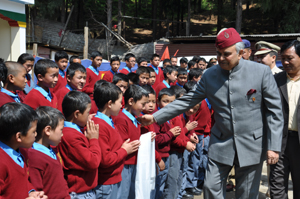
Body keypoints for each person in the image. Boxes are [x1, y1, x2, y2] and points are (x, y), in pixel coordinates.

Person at [138, 27, 283, 199]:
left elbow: (274, 111)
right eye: (218, 53)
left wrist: (273, 146)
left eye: (226, 54)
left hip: (252, 144)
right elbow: (188, 100)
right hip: (221, 142)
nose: (221, 58)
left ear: (241, 52)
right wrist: (155, 117)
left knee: (247, 194)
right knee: (210, 187)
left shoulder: (261, 72)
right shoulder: (210, 75)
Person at [92, 81, 140, 199]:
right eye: (119, 102)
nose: (121, 105)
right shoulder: (100, 125)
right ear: (109, 104)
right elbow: (105, 159)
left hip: (113, 179)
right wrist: (124, 150)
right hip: (106, 183)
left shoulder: (109, 121)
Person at [57, 91, 101, 199]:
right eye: (87, 113)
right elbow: (93, 162)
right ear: (76, 114)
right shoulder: (71, 136)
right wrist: (94, 140)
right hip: (80, 193)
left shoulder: (75, 131)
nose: (89, 116)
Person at [270, 40, 300, 199]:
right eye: (283, 58)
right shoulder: (275, 80)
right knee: (277, 185)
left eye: (290, 58)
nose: (285, 62)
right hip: (279, 142)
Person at [0, 103, 47, 199]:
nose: (36, 134)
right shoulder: (2, 162)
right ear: (19, 136)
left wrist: (31, 192)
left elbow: (21, 182)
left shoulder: (22, 152)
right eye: (33, 131)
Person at [114, 84, 148, 199]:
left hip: (134, 162)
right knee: (123, 194)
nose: (144, 107)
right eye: (142, 104)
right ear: (131, 101)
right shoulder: (121, 119)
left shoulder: (135, 119)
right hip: (125, 164)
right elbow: (123, 143)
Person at [27, 106, 69, 199]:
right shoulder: (35, 158)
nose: (62, 134)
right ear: (48, 130)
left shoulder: (52, 151)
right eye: (61, 130)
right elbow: (37, 192)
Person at [163, 86, 197, 199]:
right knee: (171, 182)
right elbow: (172, 137)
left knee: (178, 179)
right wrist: (185, 143)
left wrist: (188, 140)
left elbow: (181, 133)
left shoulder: (178, 114)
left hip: (180, 150)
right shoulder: (171, 116)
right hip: (173, 152)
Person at [153, 88, 181, 199]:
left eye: (172, 102)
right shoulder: (157, 117)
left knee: (163, 183)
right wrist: (170, 134)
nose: (169, 105)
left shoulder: (169, 116)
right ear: (158, 101)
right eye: (165, 101)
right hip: (159, 156)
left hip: (166, 154)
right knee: (158, 185)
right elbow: (157, 139)